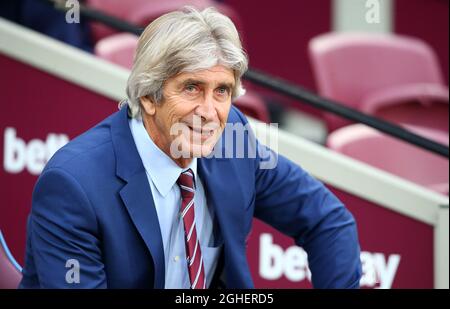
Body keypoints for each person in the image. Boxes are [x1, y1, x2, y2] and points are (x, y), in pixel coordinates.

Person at [19, 7, 361, 289]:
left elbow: (327, 221)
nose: (210, 112)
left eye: (222, 91)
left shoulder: (232, 139)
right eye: (192, 88)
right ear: (148, 97)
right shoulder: (73, 184)